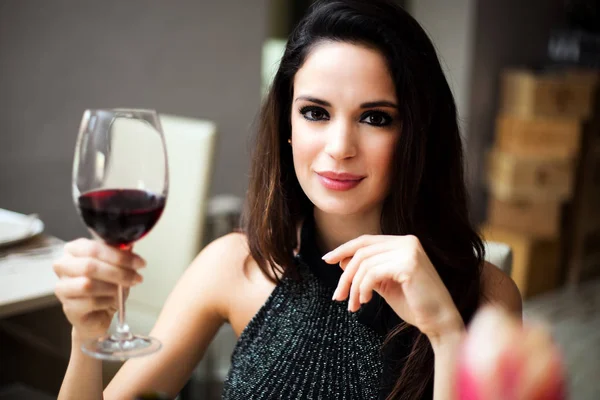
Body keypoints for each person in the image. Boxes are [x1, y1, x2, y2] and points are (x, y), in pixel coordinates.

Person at [52, 1, 523, 399]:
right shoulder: (236, 264)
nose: (339, 147)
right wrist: (85, 338)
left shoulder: (486, 297)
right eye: (315, 113)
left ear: (417, 135)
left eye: (376, 118)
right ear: (288, 129)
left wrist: (444, 332)